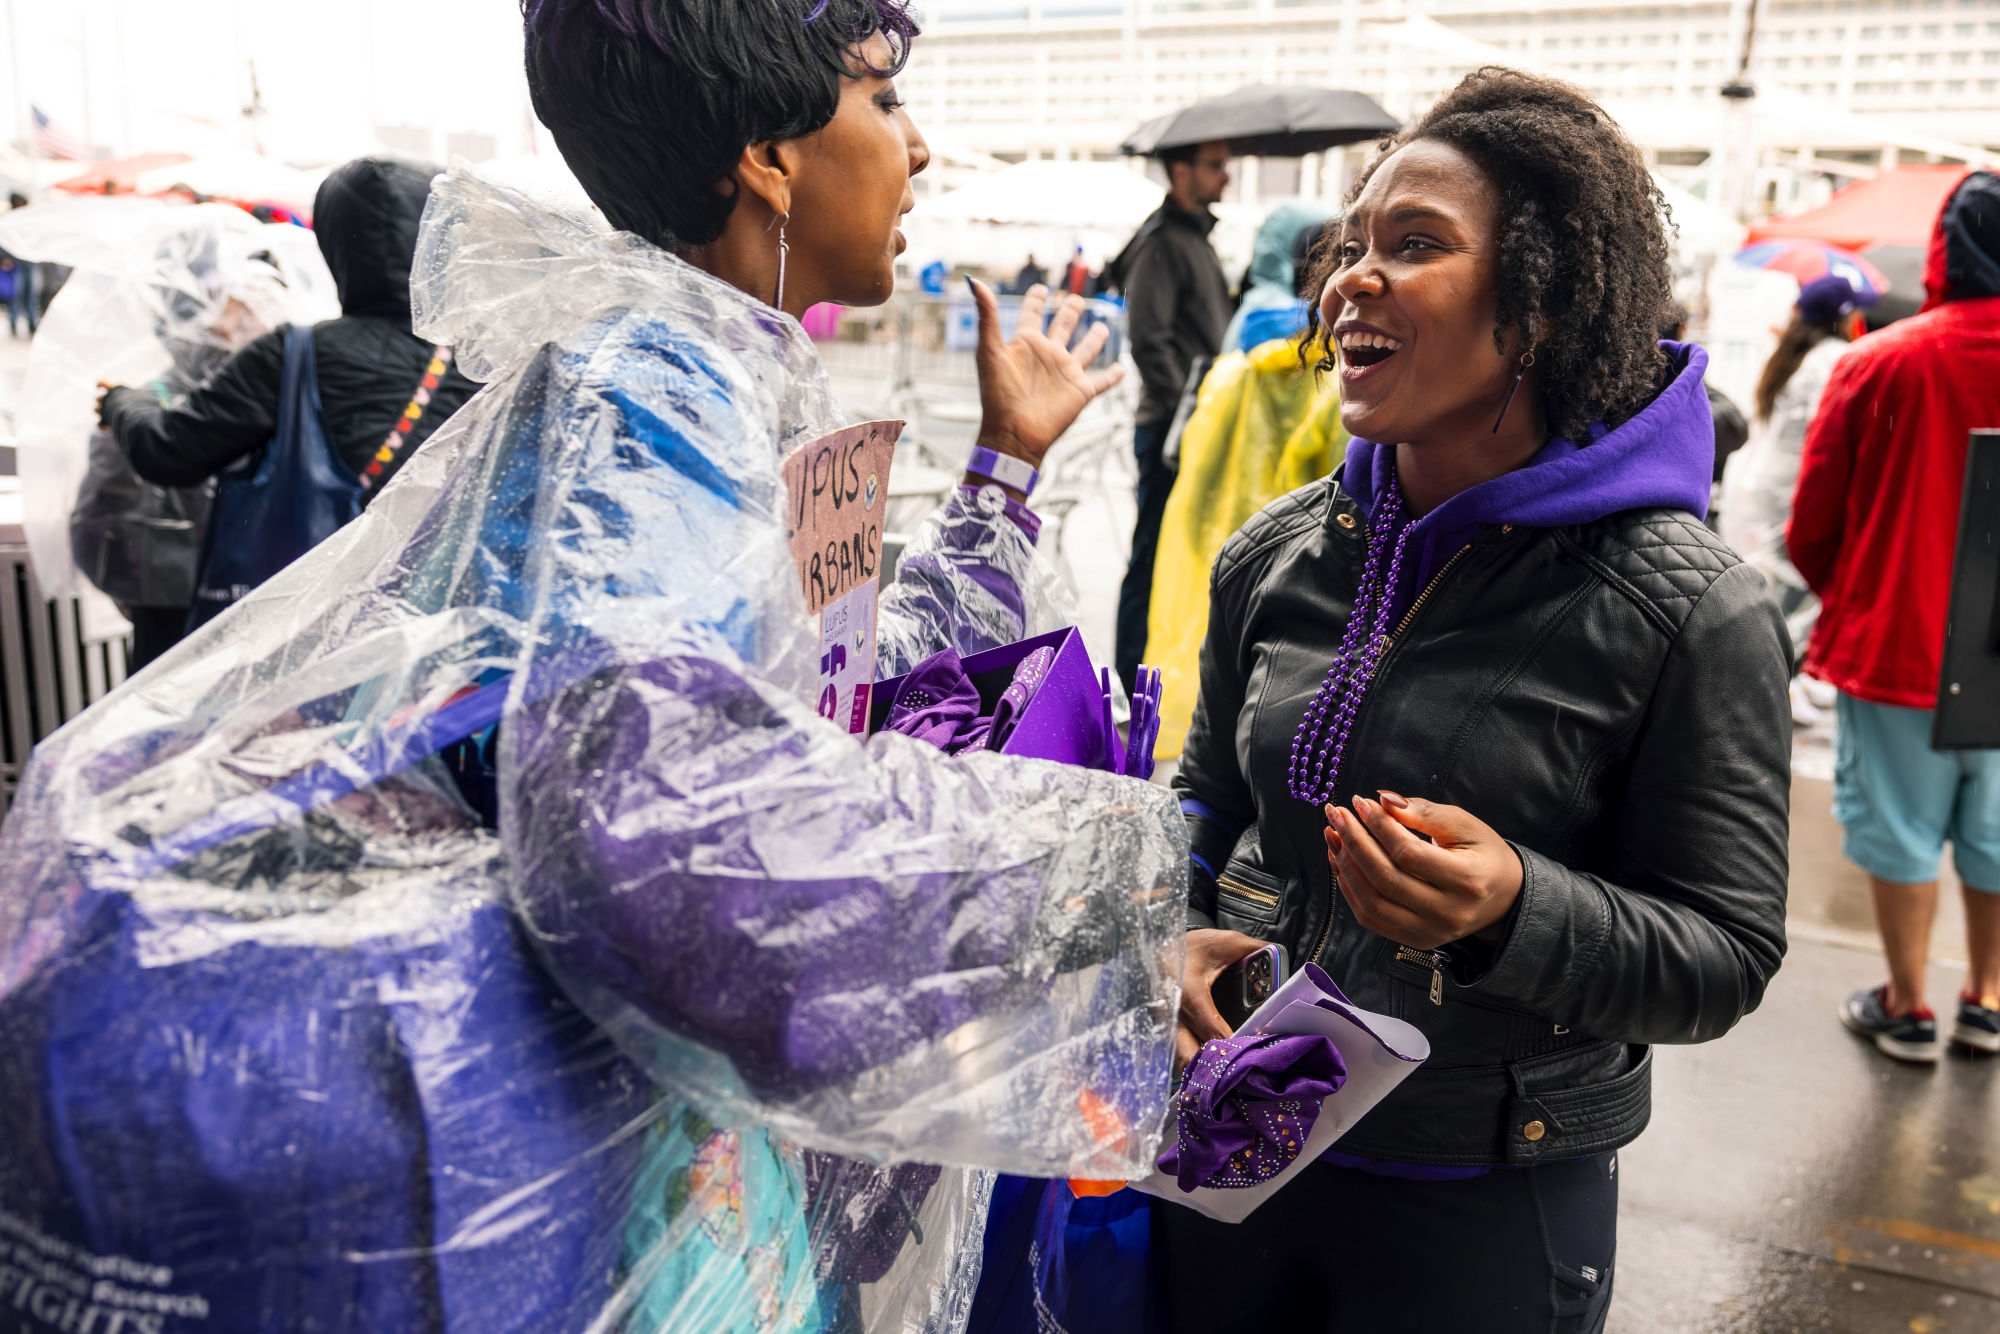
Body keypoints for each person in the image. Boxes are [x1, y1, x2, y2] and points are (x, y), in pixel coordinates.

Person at [0, 4, 1182, 1330]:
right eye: (884, 98)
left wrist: (1003, 477)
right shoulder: (648, 398)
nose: (920, 146)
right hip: (624, 1203)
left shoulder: (707, 383)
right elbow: (665, 822)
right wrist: (1111, 875)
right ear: (769, 157)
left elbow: (830, 697)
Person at [1164, 69, 1790, 1331]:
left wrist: (1515, 907)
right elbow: (1202, 798)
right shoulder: (1273, 553)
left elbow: (1722, 953)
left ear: (1541, 305)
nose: (1353, 277)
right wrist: (1166, 933)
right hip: (1233, 1145)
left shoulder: (1690, 607)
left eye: (1415, 245)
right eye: (1352, 245)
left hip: (1485, 1192)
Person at [1794, 170, 2000, 1063]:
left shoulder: (1881, 360)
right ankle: (1988, 997)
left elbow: (1814, 522)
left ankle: (1909, 1004)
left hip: (1900, 643)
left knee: (1900, 828)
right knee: (1996, 831)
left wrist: (1861, 595)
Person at [98, 157, 480, 504]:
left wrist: (120, 400)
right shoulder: (488, 354)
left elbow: (167, 452)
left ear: (334, 241)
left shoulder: (294, 352)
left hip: (332, 571)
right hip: (456, 573)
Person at [1718, 274, 1868, 714]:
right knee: (1795, 592)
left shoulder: (1789, 355)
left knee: (1771, 586)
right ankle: (1766, 689)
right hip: (1795, 489)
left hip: (1761, 484)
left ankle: (1773, 683)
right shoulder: (1834, 359)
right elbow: (1834, 436)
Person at [1115, 137, 1232, 695]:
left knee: (1173, 550)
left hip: (1191, 420)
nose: (1225, 177)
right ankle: (1129, 679)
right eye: (1215, 166)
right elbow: (1148, 340)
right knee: (1152, 552)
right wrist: (1187, 410)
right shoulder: (1161, 242)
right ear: (1180, 171)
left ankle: (1151, 675)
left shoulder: (1195, 239)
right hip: (1170, 424)